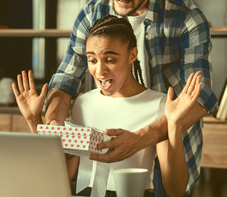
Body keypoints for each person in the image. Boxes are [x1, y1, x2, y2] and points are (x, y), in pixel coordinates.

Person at [44, 0, 218, 196]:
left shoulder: (185, 15)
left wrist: (141, 138)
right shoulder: (92, 13)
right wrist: (52, 126)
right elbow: (66, 80)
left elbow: (201, 98)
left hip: (169, 133)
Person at [12, 15, 203, 197]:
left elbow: (175, 191)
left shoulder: (159, 104)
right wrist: (33, 119)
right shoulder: (82, 103)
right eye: (92, 60)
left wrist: (174, 124)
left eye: (110, 60)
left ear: (132, 55)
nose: (100, 70)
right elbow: (61, 175)